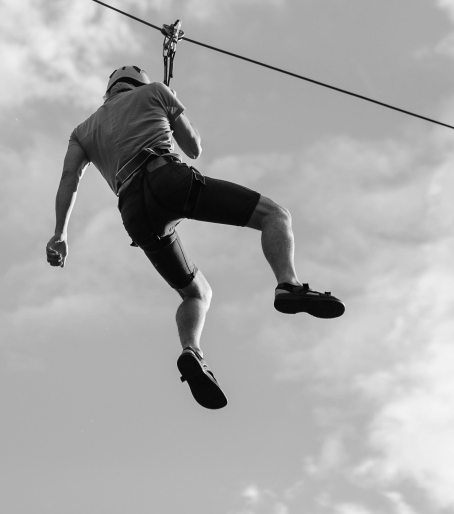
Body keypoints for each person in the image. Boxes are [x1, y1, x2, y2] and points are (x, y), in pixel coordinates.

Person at [45, 65, 344, 410]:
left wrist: (60, 233)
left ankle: (192, 351)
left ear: (108, 92)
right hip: (166, 178)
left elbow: (69, 178)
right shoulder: (155, 92)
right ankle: (288, 284)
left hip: (133, 212)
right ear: (139, 84)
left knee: (196, 293)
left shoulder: (82, 132)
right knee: (275, 215)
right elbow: (194, 148)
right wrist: (171, 108)